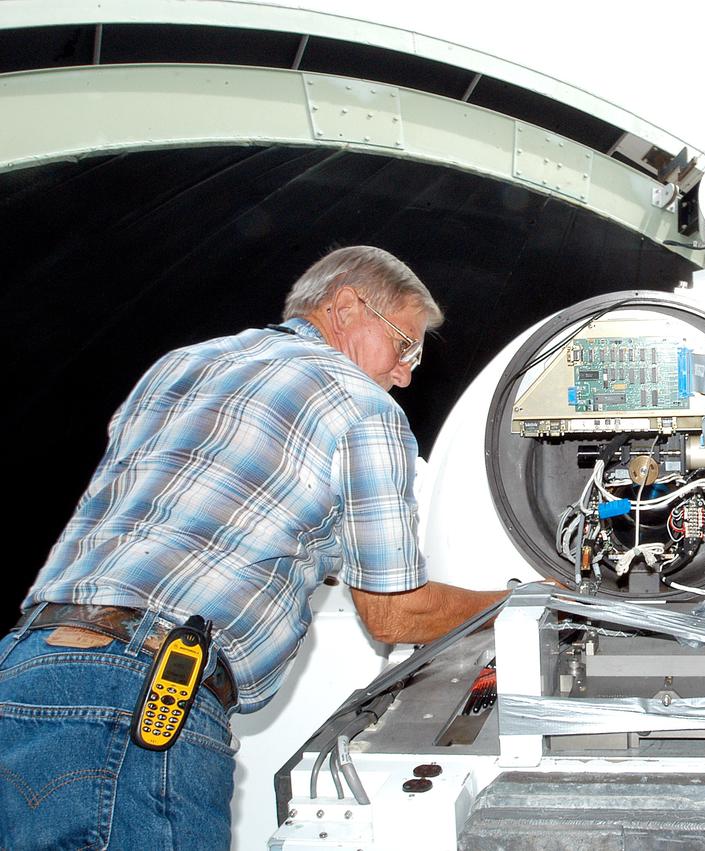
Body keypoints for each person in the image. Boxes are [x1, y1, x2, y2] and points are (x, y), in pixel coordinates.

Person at [0, 246, 508, 849]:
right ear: (345, 307)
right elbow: (395, 611)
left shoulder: (180, 365)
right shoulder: (362, 405)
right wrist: (524, 601)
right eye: (405, 345)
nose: (405, 372)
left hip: (27, 665)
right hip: (147, 696)